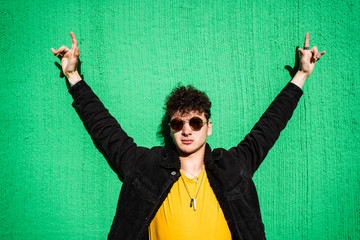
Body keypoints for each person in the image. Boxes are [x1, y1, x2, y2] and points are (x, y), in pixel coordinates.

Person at [51, 32, 325, 240]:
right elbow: (105, 129)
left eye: (195, 122)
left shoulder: (232, 168)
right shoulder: (145, 168)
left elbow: (268, 127)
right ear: (170, 129)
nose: (186, 129)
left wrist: (301, 75)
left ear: (209, 126)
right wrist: (73, 75)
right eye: (178, 123)